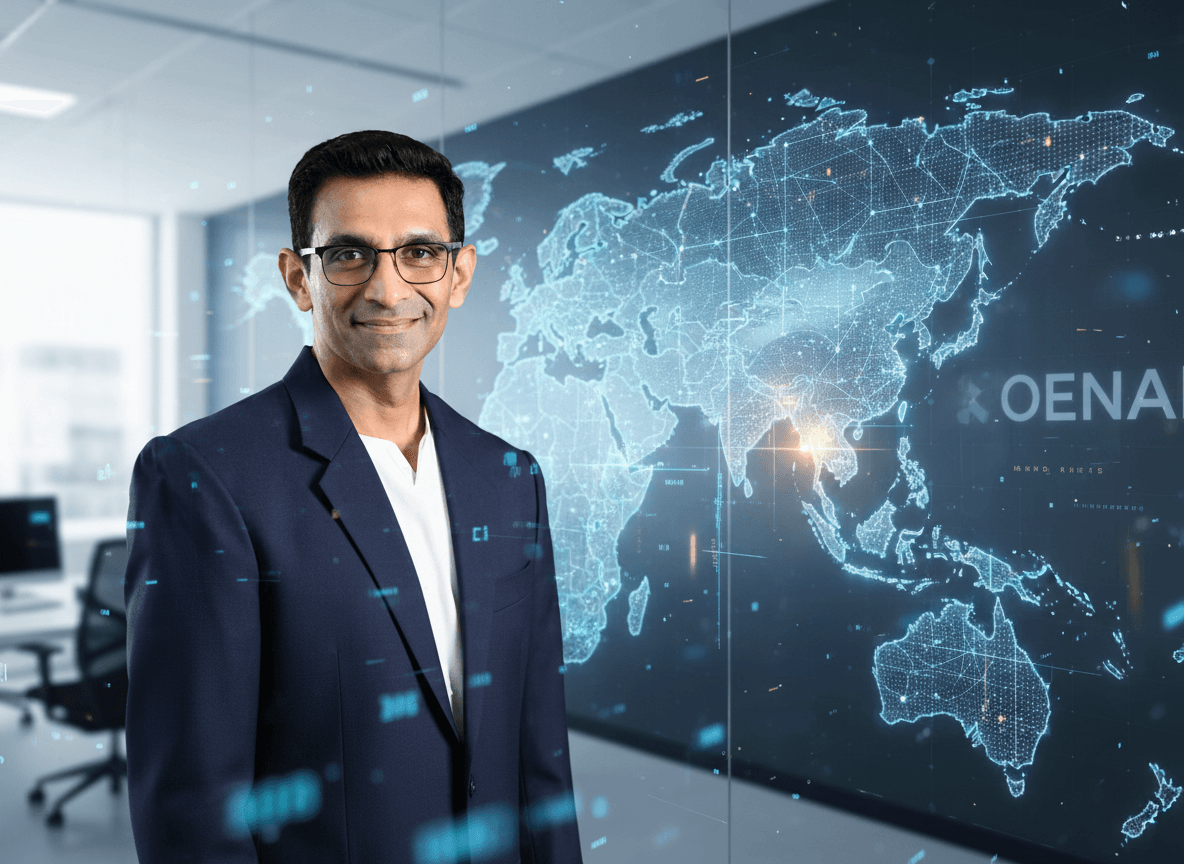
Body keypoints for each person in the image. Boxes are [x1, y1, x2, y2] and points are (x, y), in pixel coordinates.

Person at [124, 130, 582, 863]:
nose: (388, 290)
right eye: (348, 255)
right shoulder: (205, 476)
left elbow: (540, 752)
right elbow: (195, 803)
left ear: (459, 274)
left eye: (420, 252)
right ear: (298, 277)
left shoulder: (509, 476)